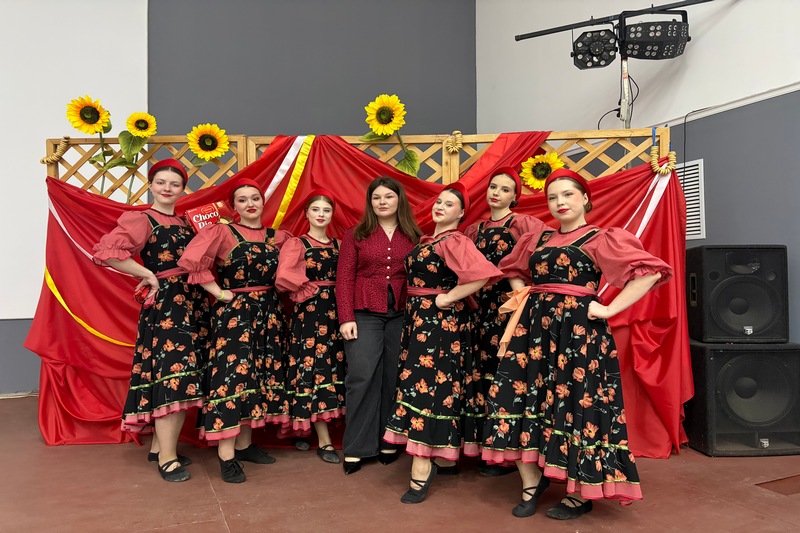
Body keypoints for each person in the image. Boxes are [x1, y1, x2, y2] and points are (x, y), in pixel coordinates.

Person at [481, 168, 673, 519]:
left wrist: (610, 308)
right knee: (516, 399)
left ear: (585, 198)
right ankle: (531, 483)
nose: (560, 202)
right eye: (553, 197)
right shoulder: (538, 239)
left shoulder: (601, 238)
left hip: (578, 333)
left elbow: (651, 272)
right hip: (533, 332)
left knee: (576, 405)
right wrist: (528, 297)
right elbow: (513, 269)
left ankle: (579, 494)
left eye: (568, 194)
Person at [383, 182, 502, 504]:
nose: (440, 207)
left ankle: (422, 468)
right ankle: (443, 457)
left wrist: (448, 297)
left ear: (461, 213)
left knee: (427, 390)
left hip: (439, 325)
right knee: (434, 388)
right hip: (420, 322)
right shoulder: (429, 240)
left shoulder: (454, 240)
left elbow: (481, 275)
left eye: (449, 204)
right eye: (439, 202)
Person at [92, 159, 209, 483]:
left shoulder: (187, 222)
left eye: (174, 184)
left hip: (193, 302)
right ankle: (168, 459)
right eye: (161, 182)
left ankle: (160, 448)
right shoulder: (142, 219)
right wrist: (147, 273)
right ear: (151, 185)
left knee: (181, 374)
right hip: (168, 305)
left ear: (183, 189)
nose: (167, 188)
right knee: (174, 375)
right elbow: (107, 253)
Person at [178, 178, 291, 483]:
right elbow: (192, 261)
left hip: (269, 314)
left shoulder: (278, 237)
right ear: (234, 206)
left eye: (255, 198)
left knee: (258, 377)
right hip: (236, 315)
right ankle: (226, 455)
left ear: (263, 202)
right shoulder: (222, 231)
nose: (250, 204)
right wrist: (219, 293)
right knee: (232, 378)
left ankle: (244, 446)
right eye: (242, 199)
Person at [464, 167, 549, 477]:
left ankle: (507, 451)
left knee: (506, 376)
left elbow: (541, 257)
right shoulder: (473, 229)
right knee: (480, 374)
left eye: (504, 189)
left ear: (515, 196)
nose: (496, 193)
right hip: (478, 309)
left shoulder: (523, 224)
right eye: (493, 187)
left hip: (509, 308)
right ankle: (483, 447)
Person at [336, 176, 423, 474]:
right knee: (361, 376)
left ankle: (388, 441)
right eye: (376, 197)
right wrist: (346, 317)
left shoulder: (413, 235)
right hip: (363, 313)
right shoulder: (356, 234)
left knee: (393, 377)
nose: (382, 202)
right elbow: (344, 278)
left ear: (399, 200)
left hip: (401, 313)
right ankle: (356, 447)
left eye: (388, 196)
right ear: (370, 202)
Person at [276, 189, 345, 465]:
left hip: (338, 313)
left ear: (332, 214)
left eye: (326, 210)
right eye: (315, 209)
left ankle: (309, 426)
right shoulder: (298, 243)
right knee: (313, 368)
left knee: (334, 367)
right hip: (311, 314)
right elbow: (284, 276)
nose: (321, 214)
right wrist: (309, 289)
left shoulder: (340, 244)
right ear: (306, 213)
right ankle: (323, 439)